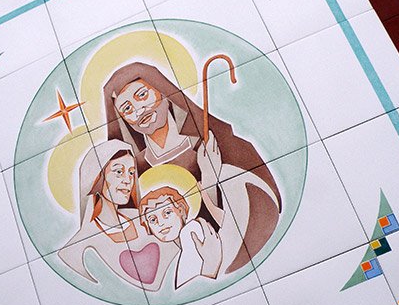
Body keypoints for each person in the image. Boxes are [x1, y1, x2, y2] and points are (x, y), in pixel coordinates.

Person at [103, 62, 281, 272]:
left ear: (162, 91)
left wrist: (213, 177)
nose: (138, 110)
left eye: (142, 95)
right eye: (126, 108)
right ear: (123, 119)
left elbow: (257, 206)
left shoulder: (212, 142)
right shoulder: (133, 173)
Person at [58, 140, 178, 292]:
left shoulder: (144, 218)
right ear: (97, 177)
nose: (128, 180)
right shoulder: (77, 246)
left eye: (131, 173)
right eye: (119, 172)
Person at [139, 186, 222, 289]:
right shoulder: (178, 252)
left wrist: (210, 265)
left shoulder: (190, 232)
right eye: (152, 219)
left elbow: (192, 290)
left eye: (167, 213)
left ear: (181, 210)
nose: (160, 223)